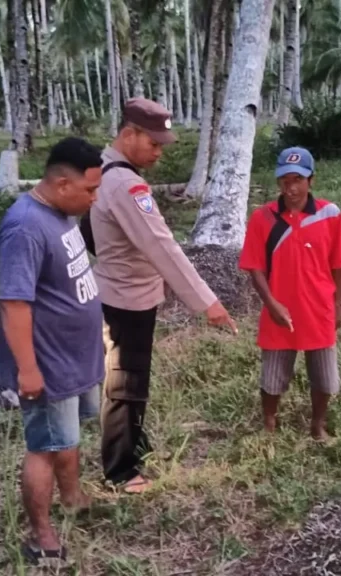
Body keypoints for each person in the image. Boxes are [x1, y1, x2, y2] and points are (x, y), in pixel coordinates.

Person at [85, 97, 238, 494]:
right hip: (127, 298)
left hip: (114, 288)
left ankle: (134, 445)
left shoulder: (101, 171)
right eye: (153, 143)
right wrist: (207, 302)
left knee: (129, 379)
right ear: (128, 134)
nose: (158, 151)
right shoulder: (126, 184)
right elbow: (162, 247)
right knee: (125, 382)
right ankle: (120, 471)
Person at [0, 137, 105, 564]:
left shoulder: (61, 213)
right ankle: (43, 538)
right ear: (62, 184)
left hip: (76, 357)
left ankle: (73, 497)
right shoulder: (25, 226)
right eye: (90, 190)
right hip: (48, 364)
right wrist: (28, 369)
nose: (94, 199)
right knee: (44, 445)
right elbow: (14, 303)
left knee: (68, 434)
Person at [238, 146, 341, 442]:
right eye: (285, 180)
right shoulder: (263, 218)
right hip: (281, 312)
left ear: (310, 180)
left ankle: (317, 426)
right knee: (273, 377)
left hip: (319, 310)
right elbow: (254, 268)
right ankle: (269, 425)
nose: (291, 187)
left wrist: (338, 305)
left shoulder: (330, 214)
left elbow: (339, 265)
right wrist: (271, 303)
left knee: (325, 378)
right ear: (278, 182)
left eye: (298, 180)